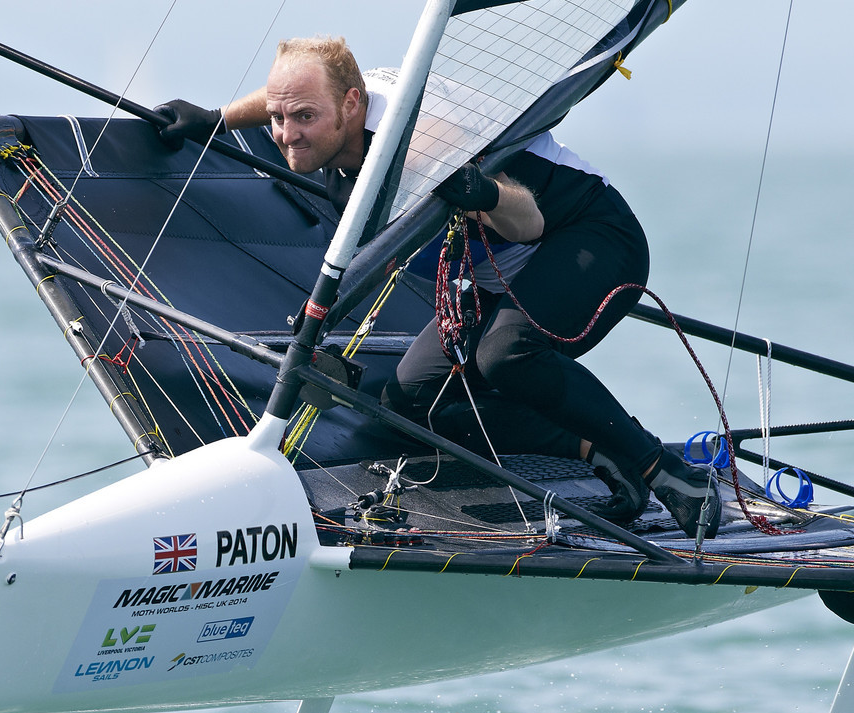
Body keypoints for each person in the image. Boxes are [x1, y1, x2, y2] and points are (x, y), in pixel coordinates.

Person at [155, 37, 720, 537]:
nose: (284, 134)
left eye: (303, 118)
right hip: (499, 273)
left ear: (352, 105)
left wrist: (484, 193)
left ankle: (665, 471)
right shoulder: (332, 104)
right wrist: (217, 117)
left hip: (588, 239)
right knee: (411, 404)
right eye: (278, 118)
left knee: (505, 354)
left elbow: (529, 223)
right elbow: (291, 93)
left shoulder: (426, 142)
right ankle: (601, 451)